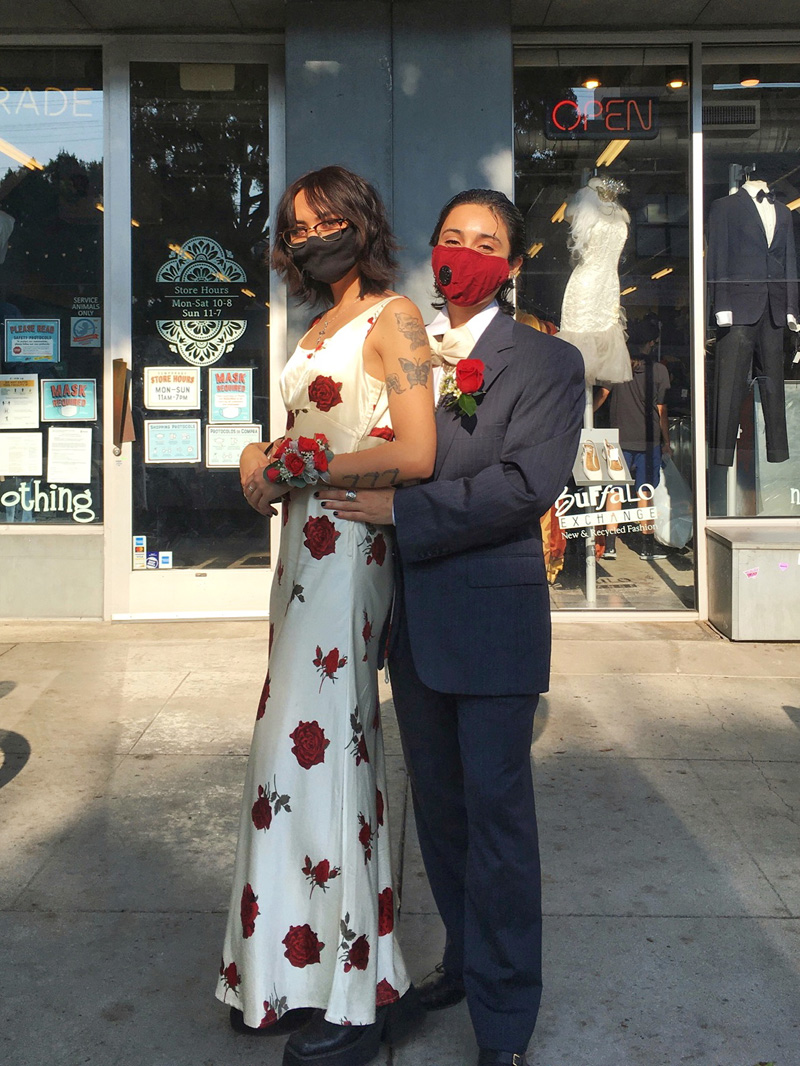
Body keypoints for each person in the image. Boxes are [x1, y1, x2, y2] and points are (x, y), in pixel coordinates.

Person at [318, 189, 585, 1066]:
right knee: (440, 816)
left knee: (499, 824)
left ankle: (504, 1020)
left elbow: (523, 486)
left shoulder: (548, 364)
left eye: (485, 242)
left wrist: (401, 511)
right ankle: (466, 965)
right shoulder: (404, 345)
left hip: (495, 627)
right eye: (450, 239)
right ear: (432, 251)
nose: (464, 254)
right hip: (414, 626)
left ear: (510, 263)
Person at [225, 165, 435, 1066]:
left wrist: (302, 460)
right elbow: (299, 439)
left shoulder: (398, 319)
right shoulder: (312, 326)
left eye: (325, 222)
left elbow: (417, 450)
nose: (312, 238)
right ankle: (280, 972)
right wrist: (259, 457)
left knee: (324, 747)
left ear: (361, 223)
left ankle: (354, 988)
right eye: (297, 228)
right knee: (286, 751)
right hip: (300, 551)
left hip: (351, 550)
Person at [594, 317, 672, 560]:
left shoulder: (617, 367)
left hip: (616, 439)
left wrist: (583, 417)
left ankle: (610, 546)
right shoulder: (659, 370)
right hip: (647, 441)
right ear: (650, 343)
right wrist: (666, 441)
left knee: (614, 492)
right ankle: (647, 546)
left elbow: (602, 395)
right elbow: (661, 409)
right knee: (644, 493)